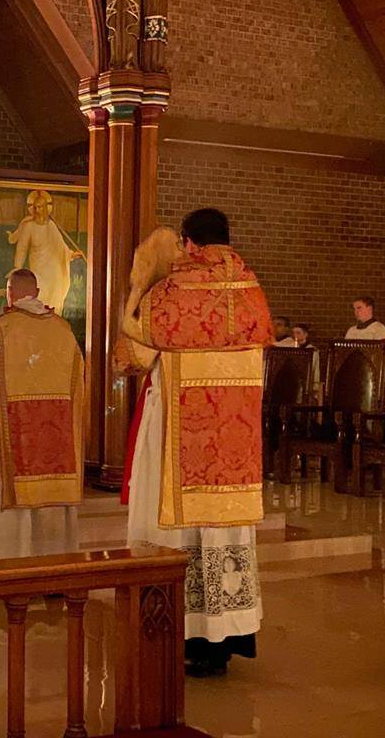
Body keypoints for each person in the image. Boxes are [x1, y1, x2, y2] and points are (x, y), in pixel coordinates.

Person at [115, 208, 273, 678]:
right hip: (233, 444)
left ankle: (180, 632)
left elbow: (134, 347)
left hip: (178, 431)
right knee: (221, 532)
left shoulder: (171, 291)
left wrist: (139, 285)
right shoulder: (252, 289)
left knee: (180, 529)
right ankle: (224, 638)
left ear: (189, 243)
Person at [0, 268, 84, 560]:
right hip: (57, 432)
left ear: (10, 291)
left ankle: (6, 564)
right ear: (37, 292)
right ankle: (56, 565)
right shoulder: (63, 330)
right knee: (50, 495)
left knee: (9, 493)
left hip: (12, 427)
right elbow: (79, 381)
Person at [7, 191, 83, 315]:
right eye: (35, 207)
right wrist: (17, 268)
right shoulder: (29, 227)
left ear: (46, 209)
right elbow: (22, 248)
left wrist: (70, 254)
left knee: (54, 297)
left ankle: (52, 324)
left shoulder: (51, 226)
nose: (37, 210)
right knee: (40, 295)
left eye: (40, 207)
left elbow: (60, 245)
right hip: (38, 268)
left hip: (53, 271)